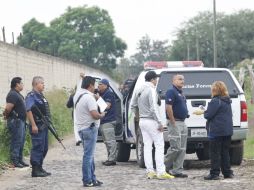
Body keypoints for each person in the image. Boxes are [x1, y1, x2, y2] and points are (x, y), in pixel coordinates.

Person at [131, 71, 174, 180]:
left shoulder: (138, 89)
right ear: (153, 79)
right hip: (152, 121)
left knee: (147, 146)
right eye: (156, 80)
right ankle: (161, 172)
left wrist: (138, 116)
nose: (156, 82)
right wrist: (160, 123)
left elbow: (133, 105)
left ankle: (150, 171)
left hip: (142, 121)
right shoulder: (151, 90)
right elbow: (154, 108)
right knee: (159, 146)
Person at [74, 76, 105, 187]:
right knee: (88, 156)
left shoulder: (78, 95)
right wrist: (102, 115)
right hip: (90, 129)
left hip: (82, 128)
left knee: (90, 155)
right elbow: (95, 115)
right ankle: (87, 180)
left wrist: (97, 99)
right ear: (91, 85)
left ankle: (92, 178)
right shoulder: (89, 98)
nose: (95, 87)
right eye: (94, 85)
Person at [203, 81, 234, 180]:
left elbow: (208, 115)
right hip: (227, 131)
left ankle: (214, 173)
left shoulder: (215, 101)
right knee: (225, 152)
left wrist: (205, 112)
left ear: (214, 89)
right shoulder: (227, 100)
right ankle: (227, 172)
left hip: (216, 131)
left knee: (215, 153)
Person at [25, 76, 51, 177]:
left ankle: (40, 167)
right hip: (37, 126)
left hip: (44, 126)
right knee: (38, 147)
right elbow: (28, 110)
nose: (44, 85)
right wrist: (33, 125)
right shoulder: (31, 96)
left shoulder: (41, 96)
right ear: (36, 84)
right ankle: (35, 170)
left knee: (44, 148)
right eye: (42, 83)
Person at [164, 74, 189, 178]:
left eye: (183, 79)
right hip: (175, 123)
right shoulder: (171, 91)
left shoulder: (181, 93)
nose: (182, 81)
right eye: (179, 79)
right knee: (175, 147)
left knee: (182, 148)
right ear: (173, 81)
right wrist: (173, 121)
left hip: (183, 123)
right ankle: (161, 167)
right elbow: (168, 107)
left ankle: (177, 171)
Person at [3, 77, 29, 168]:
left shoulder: (18, 94)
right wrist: (6, 117)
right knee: (16, 141)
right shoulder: (12, 94)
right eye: (21, 83)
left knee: (21, 141)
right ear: (17, 84)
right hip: (16, 121)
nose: (22, 85)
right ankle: (15, 161)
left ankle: (20, 160)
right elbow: (8, 108)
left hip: (21, 121)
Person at [97, 79, 118, 166]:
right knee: (106, 141)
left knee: (110, 141)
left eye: (100, 84)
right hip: (104, 121)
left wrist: (98, 99)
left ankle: (112, 159)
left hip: (108, 121)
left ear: (105, 85)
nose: (98, 86)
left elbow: (106, 107)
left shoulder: (109, 93)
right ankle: (110, 158)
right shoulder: (103, 93)